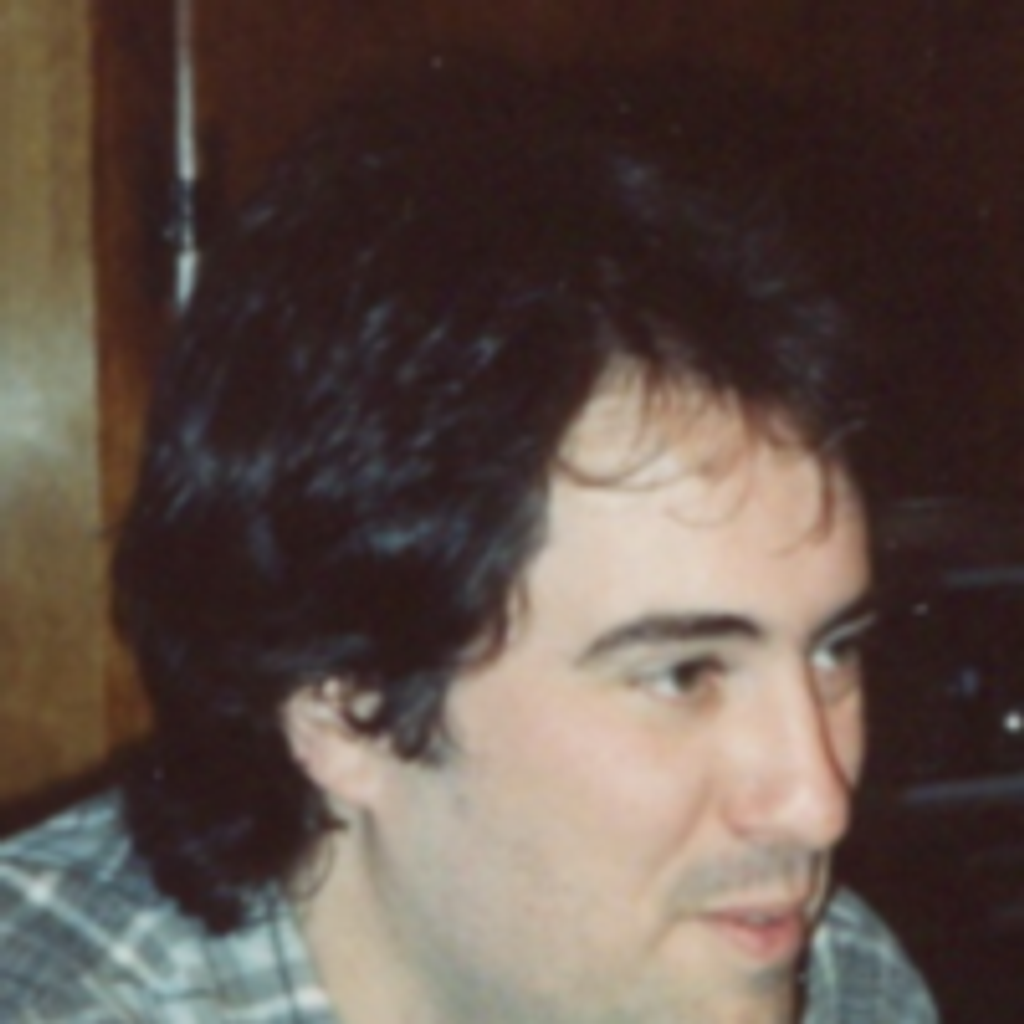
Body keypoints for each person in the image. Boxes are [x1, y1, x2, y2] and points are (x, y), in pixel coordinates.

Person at [0, 64, 938, 1023]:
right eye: (683, 674)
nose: (817, 804)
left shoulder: (840, 980)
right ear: (347, 707)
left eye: (834, 650)